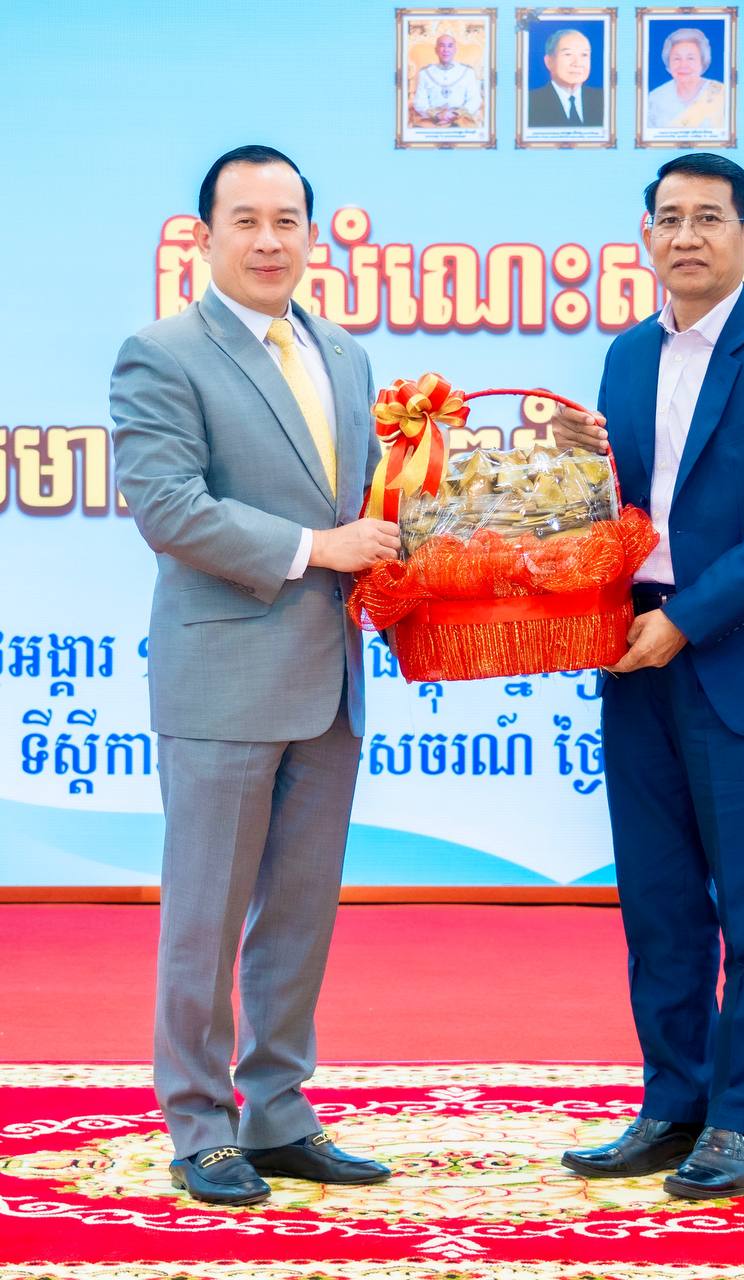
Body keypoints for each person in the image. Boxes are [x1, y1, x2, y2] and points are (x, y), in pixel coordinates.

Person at [110, 145, 400, 1207]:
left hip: (330, 680)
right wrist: (319, 549)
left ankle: (277, 1112)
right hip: (224, 678)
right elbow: (169, 508)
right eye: (247, 221)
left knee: (299, 915)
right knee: (207, 914)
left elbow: (376, 499)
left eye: (288, 221)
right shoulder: (162, 354)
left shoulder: (346, 355)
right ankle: (199, 1123)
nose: (270, 240)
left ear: (313, 234)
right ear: (206, 236)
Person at [555, 153, 744, 1199]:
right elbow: (622, 513)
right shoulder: (626, 355)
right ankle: (673, 1104)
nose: (687, 236)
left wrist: (684, 621)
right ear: (646, 236)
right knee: (660, 903)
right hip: (635, 654)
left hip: (739, 654)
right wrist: (575, 461)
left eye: (709, 218)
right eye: (668, 218)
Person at [647, 27, 724, 130]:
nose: (683, 65)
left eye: (690, 58)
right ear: (668, 64)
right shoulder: (654, 99)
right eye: (677, 59)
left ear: (703, 62)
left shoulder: (722, 94)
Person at [528, 28, 603, 127]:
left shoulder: (604, 99)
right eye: (568, 54)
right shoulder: (529, 102)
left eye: (584, 55)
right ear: (549, 61)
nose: (577, 63)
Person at [412, 33, 482, 126]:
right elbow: (419, 102)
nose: (446, 50)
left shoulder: (468, 71)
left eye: (450, 46)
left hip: (461, 119)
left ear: (455, 50)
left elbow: (474, 100)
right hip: (431, 120)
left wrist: (454, 114)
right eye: (442, 46)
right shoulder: (424, 73)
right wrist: (437, 115)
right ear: (436, 50)